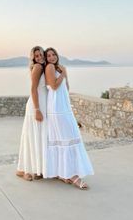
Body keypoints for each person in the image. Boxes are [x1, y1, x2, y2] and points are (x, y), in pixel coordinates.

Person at [44, 47, 94, 189]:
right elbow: (53, 86)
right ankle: (73, 175)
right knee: (66, 138)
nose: (52, 57)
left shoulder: (59, 68)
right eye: (49, 55)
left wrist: (63, 74)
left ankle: (63, 173)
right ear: (46, 58)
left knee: (65, 138)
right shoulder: (50, 67)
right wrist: (64, 73)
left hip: (64, 107)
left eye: (54, 54)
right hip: (56, 109)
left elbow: (66, 87)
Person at [16, 46, 47, 181]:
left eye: (41, 54)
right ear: (33, 58)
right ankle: (24, 170)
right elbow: (33, 89)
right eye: (36, 56)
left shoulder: (44, 66)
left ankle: (38, 169)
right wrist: (37, 110)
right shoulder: (38, 68)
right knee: (31, 137)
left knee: (39, 137)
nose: (39, 57)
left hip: (43, 104)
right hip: (36, 105)